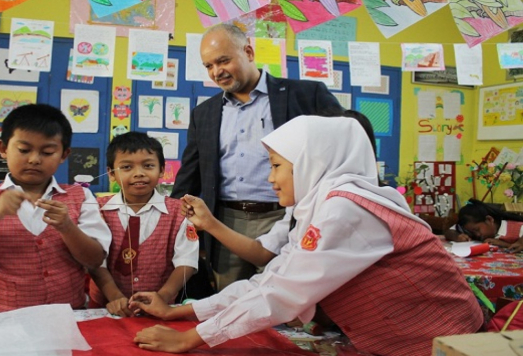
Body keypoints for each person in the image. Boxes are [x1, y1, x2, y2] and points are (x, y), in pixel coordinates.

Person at [130, 116, 482, 356]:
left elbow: (284, 293)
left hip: (441, 345)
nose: (270, 178)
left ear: (312, 161)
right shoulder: (324, 205)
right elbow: (272, 279)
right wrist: (182, 313)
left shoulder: (345, 208)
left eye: (277, 165)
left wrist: (190, 338)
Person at [172, 23, 344, 291]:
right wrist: (173, 222)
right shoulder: (203, 113)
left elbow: (343, 146)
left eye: (223, 60)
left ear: (249, 52)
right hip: (225, 221)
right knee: (228, 304)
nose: (217, 71)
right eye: (208, 66)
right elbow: (190, 173)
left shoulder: (307, 95)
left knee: (289, 298)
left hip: (288, 218)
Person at [0, 104, 112, 313]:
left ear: (64, 154)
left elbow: (94, 259)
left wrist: (67, 227)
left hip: (67, 313)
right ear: (3, 148)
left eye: (47, 152)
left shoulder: (80, 196)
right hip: (5, 316)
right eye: (24, 150)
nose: (34, 159)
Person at [88, 132, 199, 317]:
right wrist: (114, 296)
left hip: (160, 308)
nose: (139, 173)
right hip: (105, 307)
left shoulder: (180, 211)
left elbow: (186, 261)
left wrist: (163, 296)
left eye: (148, 166)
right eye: (126, 167)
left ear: (162, 170)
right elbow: (94, 261)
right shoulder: (96, 210)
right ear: (111, 173)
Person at [447, 198, 523, 252]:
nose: (477, 235)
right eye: (472, 232)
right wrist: (457, 237)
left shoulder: (516, 228)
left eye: (477, 230)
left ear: (489, 220)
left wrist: (505, 244)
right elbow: (450, 231)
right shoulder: (474, 232)